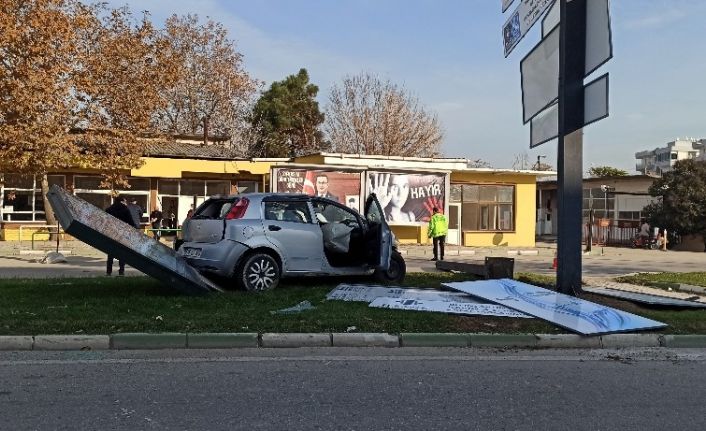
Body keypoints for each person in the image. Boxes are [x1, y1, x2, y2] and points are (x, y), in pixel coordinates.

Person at [105, 195, 139, 276]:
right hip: (122, 233)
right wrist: (134, 229)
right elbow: (130, 222)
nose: (125, 203)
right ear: (121, 201)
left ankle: (109, 271)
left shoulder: (109, 209)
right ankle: (121, 271)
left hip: (111, 233)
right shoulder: (125, 209)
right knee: (122, 252)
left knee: (110, 253)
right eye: (124, 201)